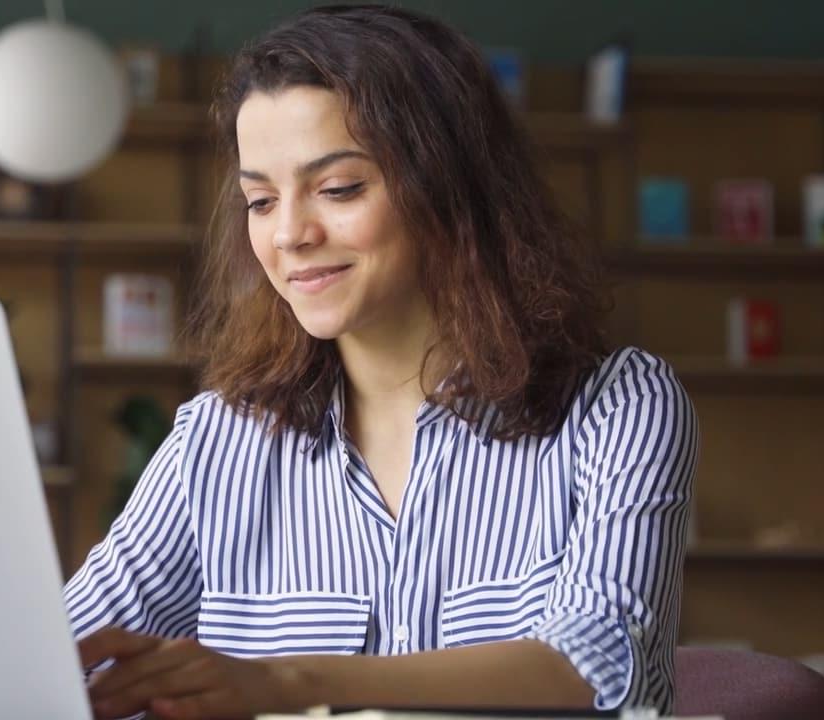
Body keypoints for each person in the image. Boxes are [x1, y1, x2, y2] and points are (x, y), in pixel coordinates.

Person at [63, 5, 697, 719]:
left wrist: (284, 685)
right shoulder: (216, 443)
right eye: (261, 200)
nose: (290, 235)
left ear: (450, 188)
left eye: (338, 189)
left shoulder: (619, 405)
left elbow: (598, 659)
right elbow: (66, 652)